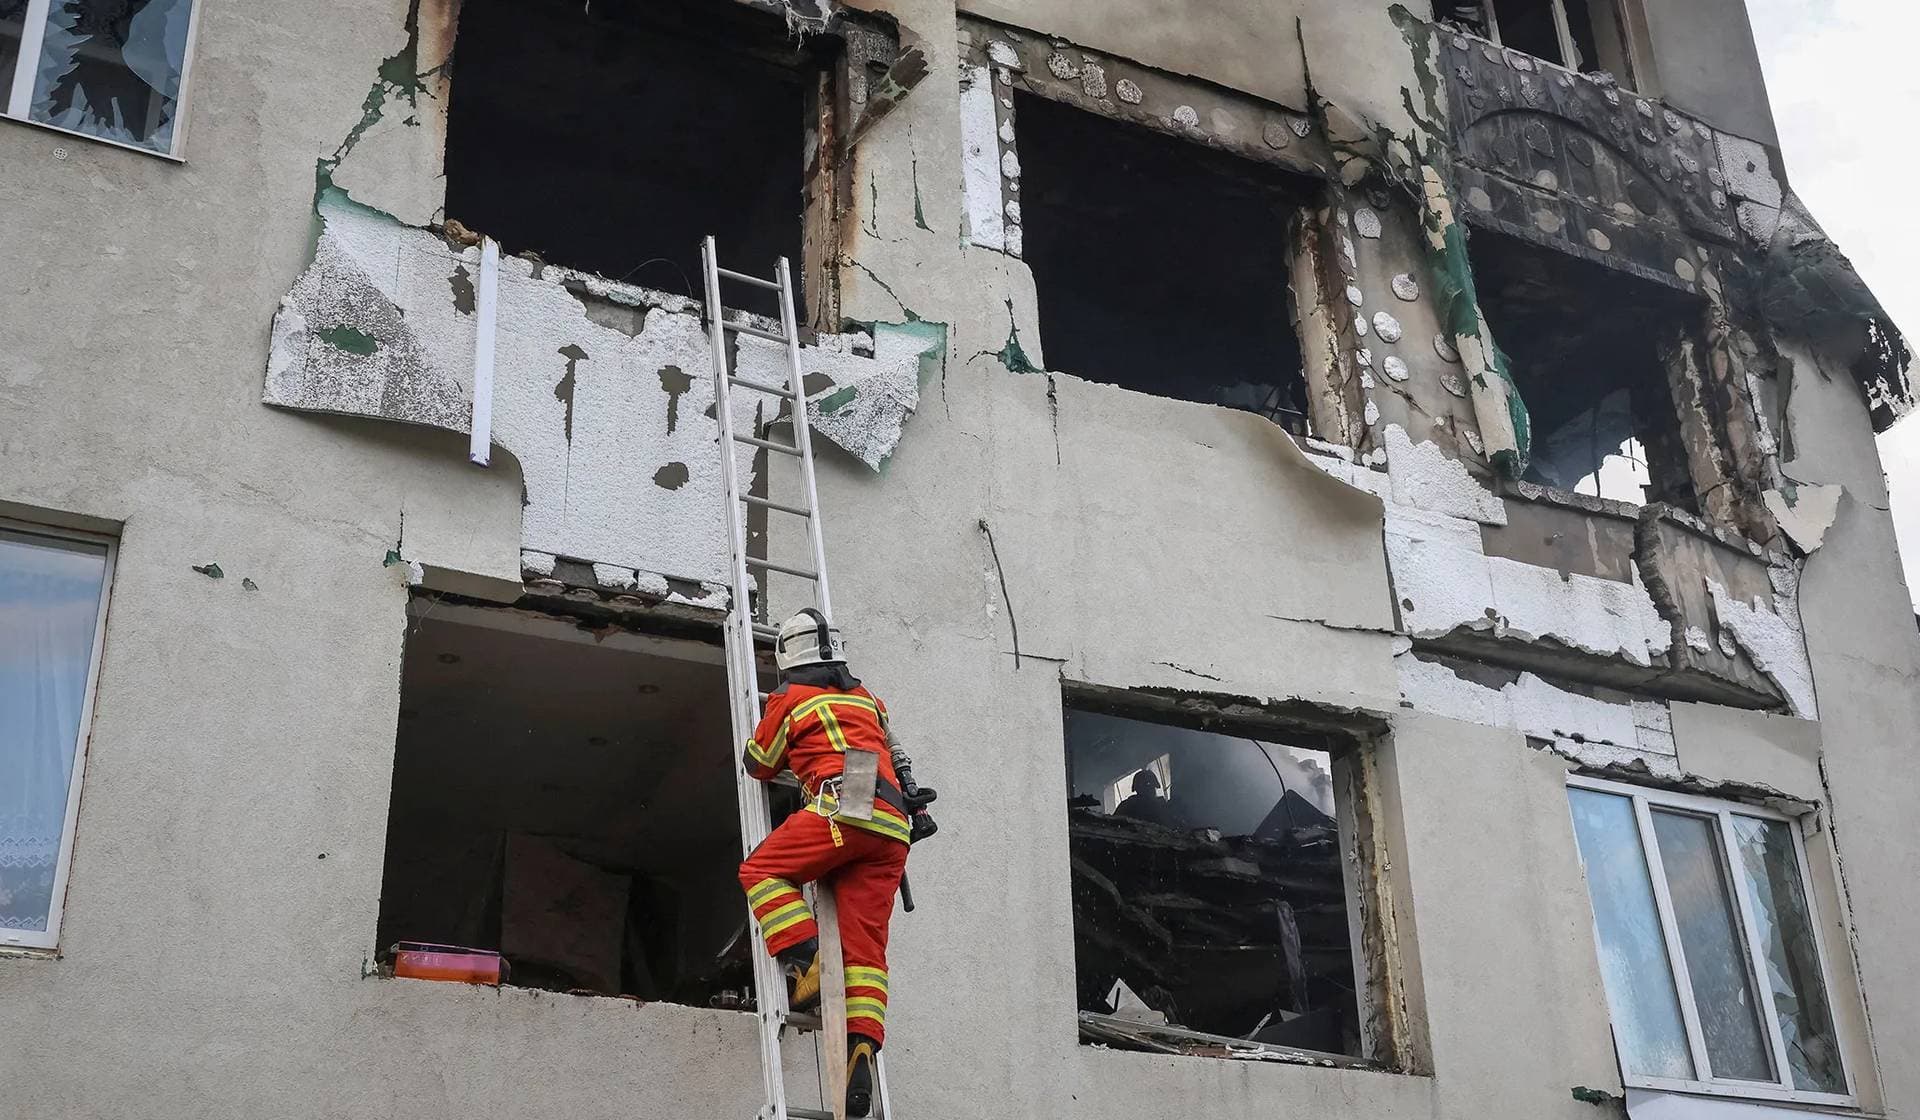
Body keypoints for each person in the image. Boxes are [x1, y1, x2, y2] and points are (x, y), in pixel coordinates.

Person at [737, 609, 913, 1118]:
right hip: (893, 827)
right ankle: (862, 1044)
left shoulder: (791, 697)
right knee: (865, 947)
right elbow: (888, 755)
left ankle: (806, 960)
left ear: (788, 656)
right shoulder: (868, 699)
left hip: (845, 806)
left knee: (761, 871)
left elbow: (759, 763)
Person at [1114, 768, 1180, 827]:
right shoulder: (1128, 805)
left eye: (1150, 786)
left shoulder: (1161, 806)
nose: (1150, 789)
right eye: (1147, 786)